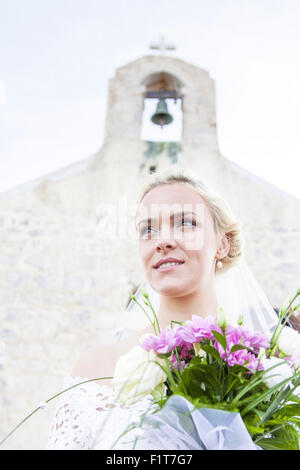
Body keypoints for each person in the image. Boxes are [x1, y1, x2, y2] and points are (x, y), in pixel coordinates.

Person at [46, 166, 280, 450]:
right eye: (148, 230)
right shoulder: (99, 368)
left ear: (222, 243)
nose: (163, 241)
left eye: (185, 223)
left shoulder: (269, 367)